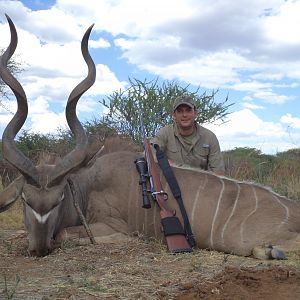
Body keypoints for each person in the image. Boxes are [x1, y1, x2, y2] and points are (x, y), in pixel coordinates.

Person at [151, 95, 225, 175]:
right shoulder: (165, 133)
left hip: (201, 185)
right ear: (174, 115)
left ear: (195, 113)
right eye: (179, 111)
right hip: (172, 183)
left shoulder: (209, 137)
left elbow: (219, 173)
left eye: (188, 110)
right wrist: (167, 163)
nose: (184, 115)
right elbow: (149, 153)